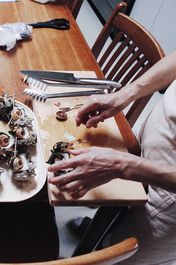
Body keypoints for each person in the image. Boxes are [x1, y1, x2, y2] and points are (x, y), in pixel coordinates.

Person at [48, 50, 176, 264]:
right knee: (115, 208)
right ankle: (98, 233)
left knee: (122, 255)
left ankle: (103, 246)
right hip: (150, 143)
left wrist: (122, 165)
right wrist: (125, 94)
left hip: (168, 200)